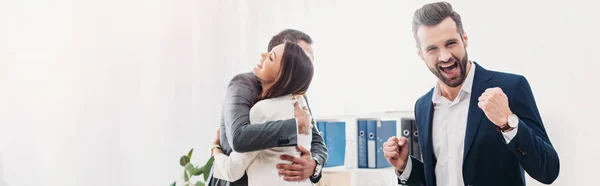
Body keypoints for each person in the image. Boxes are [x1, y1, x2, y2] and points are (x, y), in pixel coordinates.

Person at [383, 2, 560, 186]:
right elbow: (438, 178)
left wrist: (508, 123)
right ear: (421, 54)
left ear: (464, 39)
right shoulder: (423, 106)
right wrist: (405, 167)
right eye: (432, 49)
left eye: (450, 43)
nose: (444, 57)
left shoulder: (510, 88)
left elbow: (549, 171)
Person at [207, 29, 327, 186]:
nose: (306, 66)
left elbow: (317, 141)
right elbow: (239, 138)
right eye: (301, 56)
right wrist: (295, 126)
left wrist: (314, 165)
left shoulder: (297, 97)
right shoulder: (243, 85)